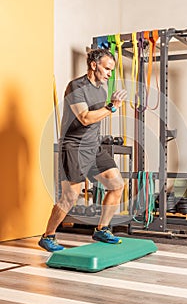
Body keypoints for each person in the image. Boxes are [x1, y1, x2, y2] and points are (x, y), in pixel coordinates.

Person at [38, 48, 127, 252]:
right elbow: (85, 118)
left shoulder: (102, 89)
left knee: (117, 184)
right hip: (74, 147)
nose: (109, 74)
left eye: (111, 70)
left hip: (93, 147)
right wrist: (112, 107)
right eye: (106, 68)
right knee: (70, 196)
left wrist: (109, 107)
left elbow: (97, 118)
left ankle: (102, 229)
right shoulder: (75, 86)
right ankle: (48, 236)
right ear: (94, 65)